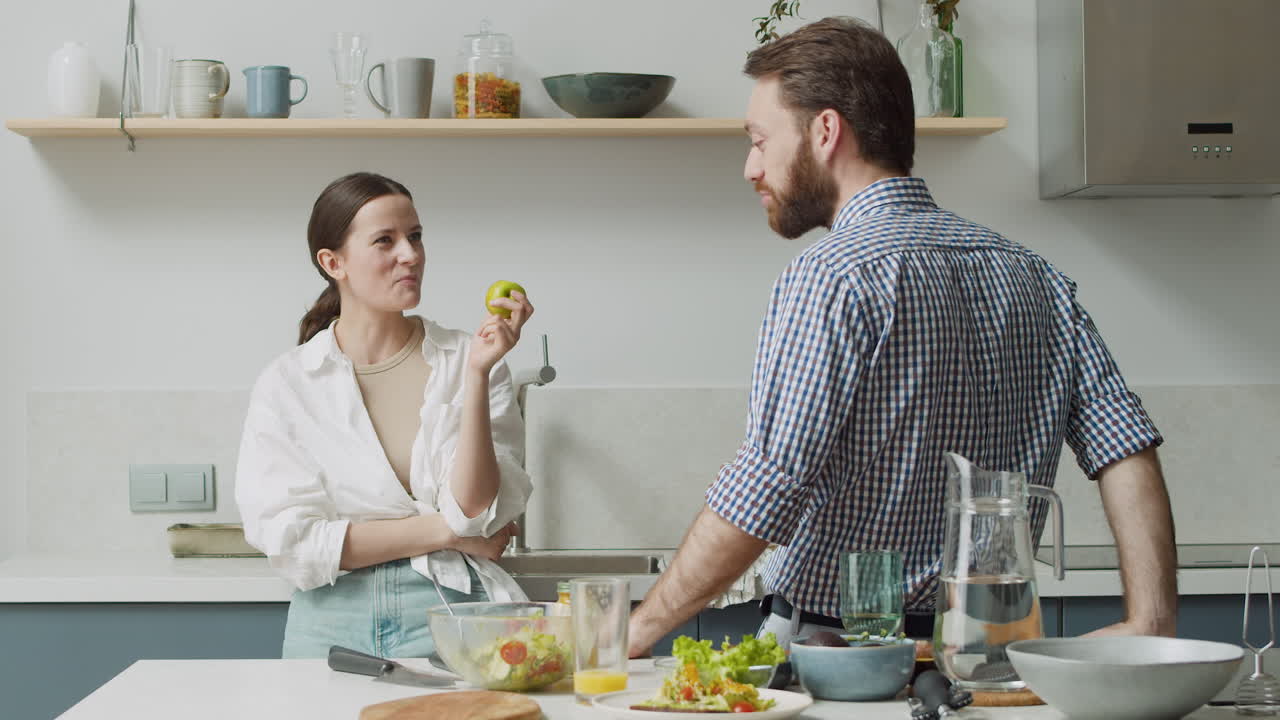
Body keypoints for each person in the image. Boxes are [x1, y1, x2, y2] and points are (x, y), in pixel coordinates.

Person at [627, 17, 1177, 655]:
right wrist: (1152, 619)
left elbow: (770, 481)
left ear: (826, 131)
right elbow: (1124, 444)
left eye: (758, 139)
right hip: (988, 652)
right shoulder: (1036, 276)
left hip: (842, 656)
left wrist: (633, 632)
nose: (751, 166)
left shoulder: (835, 277)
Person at [235, 171, 536, 658]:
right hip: (330, 621)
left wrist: (478, 375)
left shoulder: (470, 358)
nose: (410, 254)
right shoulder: (287, 384)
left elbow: (477, 511)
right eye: (385, 241)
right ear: (334, 263)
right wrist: (445, 532)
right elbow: (297, 546)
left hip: (455, 611)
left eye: (415, 236)